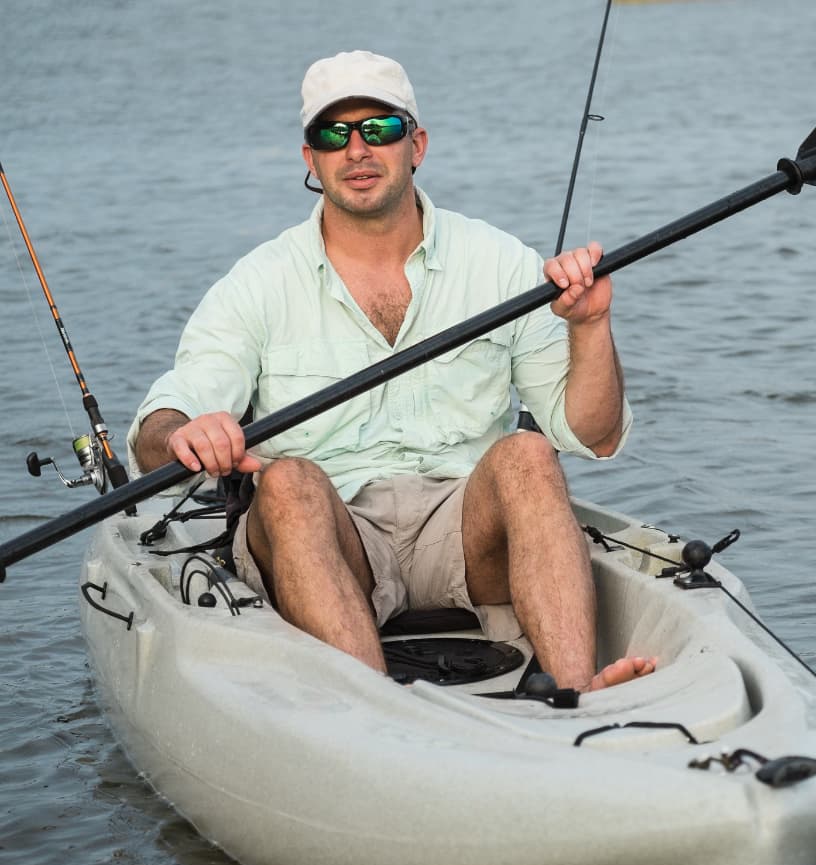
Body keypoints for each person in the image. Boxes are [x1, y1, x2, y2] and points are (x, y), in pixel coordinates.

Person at [129, 50, 656, 693]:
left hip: (464, 535)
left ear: (417, 145)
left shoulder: (499, 262)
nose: (356, 149)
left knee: (527, 453)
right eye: (334, 133)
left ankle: (579, 695)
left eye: (378, 129)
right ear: (310, 159)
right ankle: (375, 720)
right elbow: (161, 425)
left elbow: (595, 436)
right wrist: (184, 432)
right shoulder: (257, 283)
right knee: (288, 483)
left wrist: (590, 326)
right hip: (332, 537)